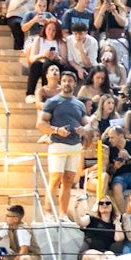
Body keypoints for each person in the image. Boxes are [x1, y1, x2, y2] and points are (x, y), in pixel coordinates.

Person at [36, 72, 89, 216]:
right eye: (64, 81)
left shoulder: (79, 104)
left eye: (70, 81)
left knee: (68, 181)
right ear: (61, 82)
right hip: (58, 143)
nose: (67, 83)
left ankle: (63, 214)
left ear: (74, 83)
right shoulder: (52, 101)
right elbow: (40, 123)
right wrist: (56, 130)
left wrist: (85, 129)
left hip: (74, 145)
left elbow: (87, 122)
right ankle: (48, 213)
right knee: (55, 179)